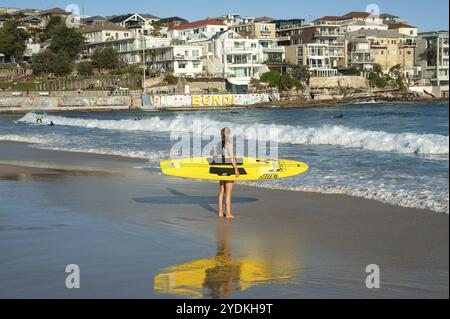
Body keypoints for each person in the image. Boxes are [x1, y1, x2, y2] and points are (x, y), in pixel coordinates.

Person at [217, 128, 239, 219]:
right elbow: (231, 158)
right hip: (229, 169)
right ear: (226, 134)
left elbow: (217, 157)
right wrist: (236, 169)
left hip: (221, 169)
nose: (229, 133)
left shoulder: (219, 144)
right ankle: (228, 213)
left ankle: (220, 212)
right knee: (228, 193)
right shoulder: (228, 143)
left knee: (222, 191)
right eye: (228, 132)